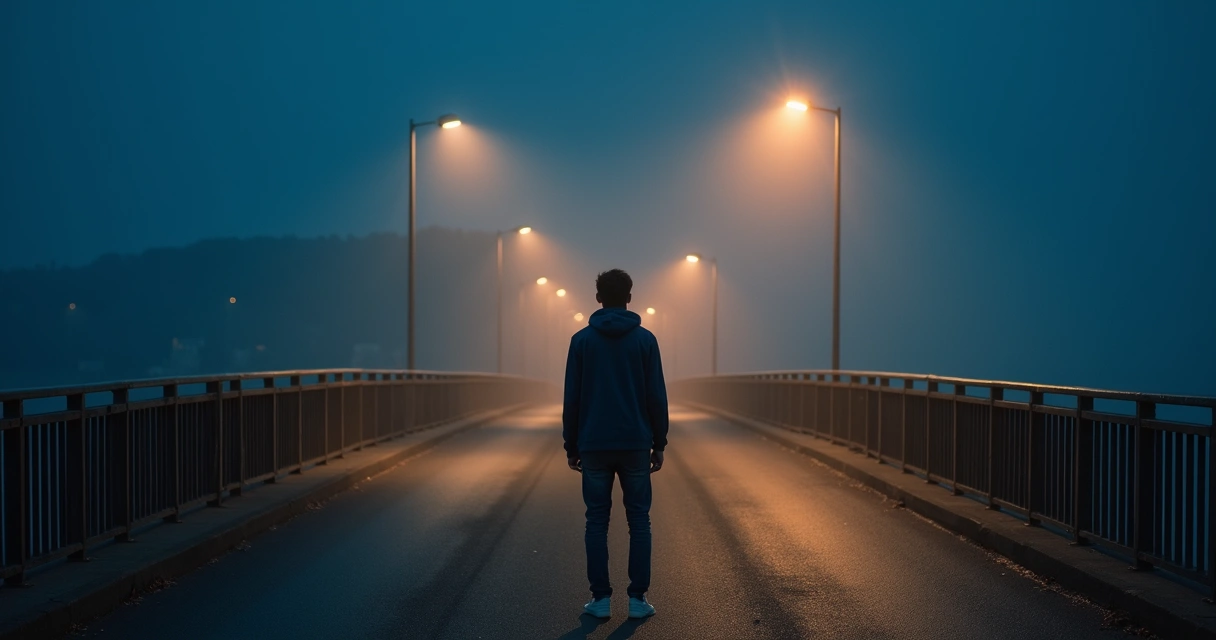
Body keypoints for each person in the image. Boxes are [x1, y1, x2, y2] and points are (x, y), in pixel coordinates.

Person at [563, 268, 669, 620]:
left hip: (593, 442)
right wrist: (659, 442)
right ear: (629, 297)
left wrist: (571, 445)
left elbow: (572, 399)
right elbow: (656, 395)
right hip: (636, 442)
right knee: (639, 520)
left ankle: (601, 599)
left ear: (598, 299)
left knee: (596, 520)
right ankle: (638, 600)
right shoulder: (645, 340)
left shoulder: (581, 341)